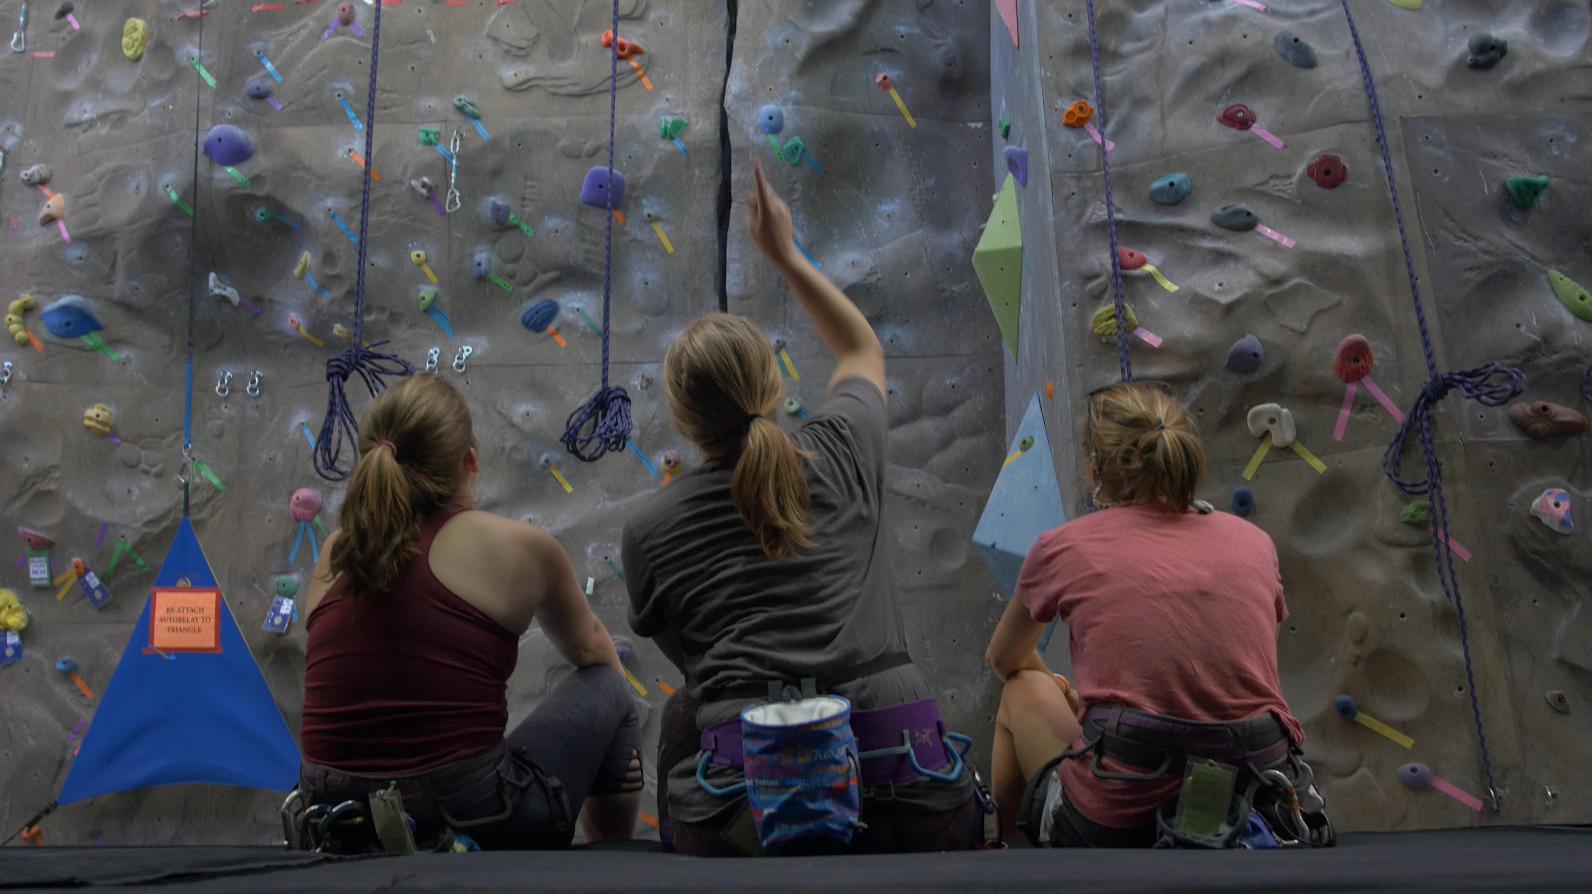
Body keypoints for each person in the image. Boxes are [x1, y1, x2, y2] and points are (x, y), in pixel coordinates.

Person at [622, 159, 986, 856]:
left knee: (681, 714)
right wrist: (783, 254)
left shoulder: (649, 528)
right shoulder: (843, 447)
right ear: (775, 381)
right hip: (902, 791)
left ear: (681, 417)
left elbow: (695, 660)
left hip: (741, 813)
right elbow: (859, 347)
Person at [296, 374, 641, 852]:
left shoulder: (336, 551)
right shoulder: (521, 545)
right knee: (611, 686)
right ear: (469, 461)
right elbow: (593, 649)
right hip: (474, 820)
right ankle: (615, 861)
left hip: (333, 822)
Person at [985, 382, 1329, 848]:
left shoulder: (1062, 546)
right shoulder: (1254, 542)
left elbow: (1005, 658)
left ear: (1095, 470)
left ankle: (1004, 855)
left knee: (1021, 688)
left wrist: (1065, 692)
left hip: (1117, 816)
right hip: (1258, 798)